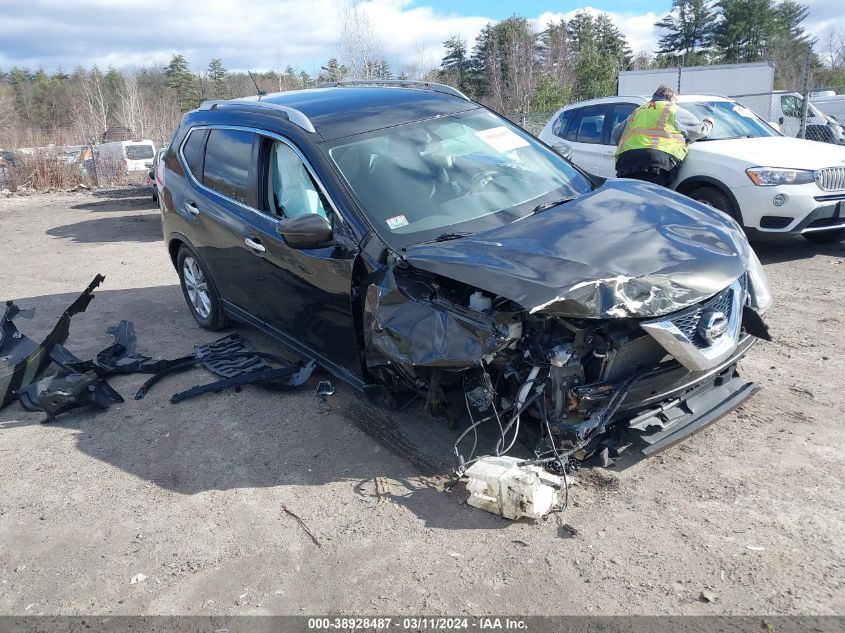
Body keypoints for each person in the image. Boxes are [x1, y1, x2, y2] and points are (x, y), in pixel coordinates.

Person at [611, 85, 714, 187]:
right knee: (653, 199)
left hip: (627, 161)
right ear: (671, 98)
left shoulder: (637, 111)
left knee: (631, 198)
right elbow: (700, 130)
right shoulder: (672, 109)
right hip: (656, 163)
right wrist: (709, 121)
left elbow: (616, 134)